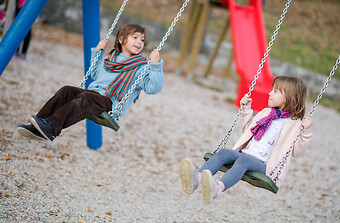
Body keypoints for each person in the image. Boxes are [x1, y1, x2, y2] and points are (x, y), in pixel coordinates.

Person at [17, 23, 163, 141]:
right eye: (135, 37)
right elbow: (95, 73)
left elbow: (153, 88)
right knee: (67, 90)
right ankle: (39, 124)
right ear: (121, 39)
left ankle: (51, 126)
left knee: (86, 98)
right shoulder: (111, 59)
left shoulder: (142, 67)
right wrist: (98, 54)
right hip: (93, 94)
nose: (139, 42)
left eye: (142, 40)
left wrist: (156, 65)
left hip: (110, 102)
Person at [179, 76, 312, 204]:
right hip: (245, 154)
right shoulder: (266, 113)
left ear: (290, 98)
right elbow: (249, 130)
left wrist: (305, 132)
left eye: (275, 91)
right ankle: (197, 179)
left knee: (244, 161)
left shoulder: (294, 124)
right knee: (225, 152)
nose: (270, 93)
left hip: (263, 164)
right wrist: (246, 109)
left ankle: (218, 188)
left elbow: (297, 152)